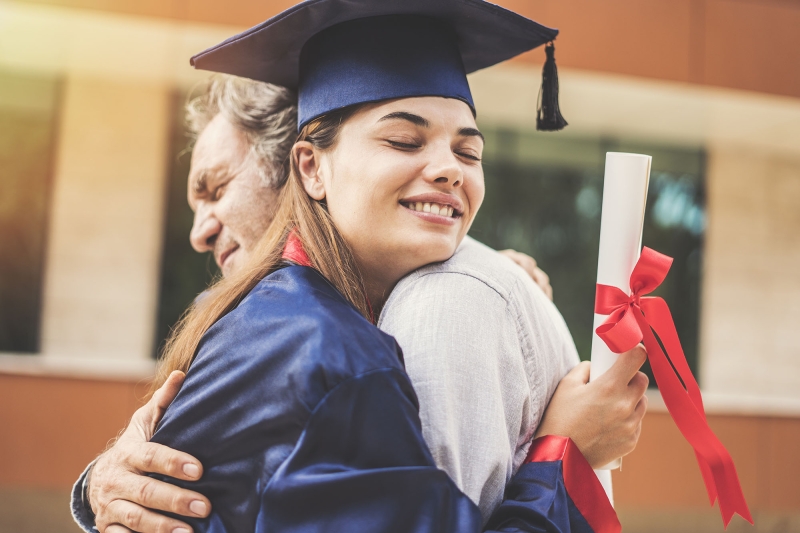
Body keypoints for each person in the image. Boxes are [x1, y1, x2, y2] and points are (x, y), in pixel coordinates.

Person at [72, 4, 648, 533]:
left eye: (469, 153)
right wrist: (562, 454)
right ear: (311, 168)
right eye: (403, 140)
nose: (449, 170)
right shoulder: (337, 357)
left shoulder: (261, 318)